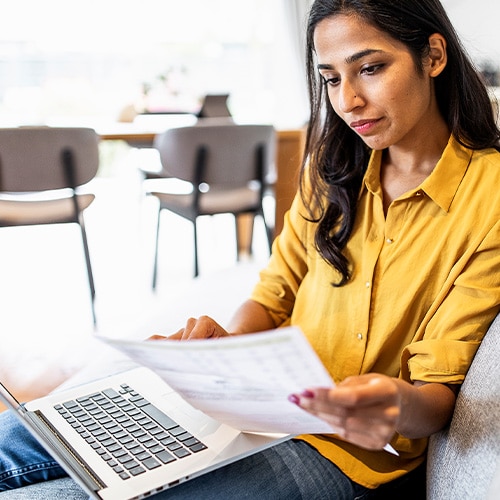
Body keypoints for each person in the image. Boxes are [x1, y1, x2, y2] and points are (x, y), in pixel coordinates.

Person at [1, 0, 500, 498]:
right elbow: (273, 293)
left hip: (342, 454)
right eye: (330, 78)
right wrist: (226, 353)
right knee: (18, 439)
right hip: (253, 407)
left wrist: (393, 402)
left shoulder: (489, 198)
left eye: (369, 68)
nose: (347, 101)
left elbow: (437, 397)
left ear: (433, 56)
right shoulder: (332, 170)